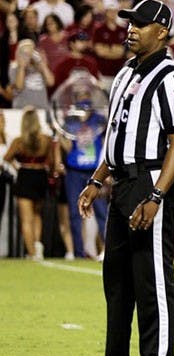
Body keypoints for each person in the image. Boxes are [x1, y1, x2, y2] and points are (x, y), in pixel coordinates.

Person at [75, 0, 174, 356]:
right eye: (130, 23)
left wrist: (157, 195)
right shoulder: (126, 72)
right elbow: (118, 136)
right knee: (117, 282)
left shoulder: (171, 76)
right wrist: (96, 180)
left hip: (152, 180)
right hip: (123, 182)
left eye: (140, 24)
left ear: (162, 32)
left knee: (152, 282)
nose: (131, 29)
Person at [59, 85, 110, 261]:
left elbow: (106, 142)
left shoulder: (99, 120)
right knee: (74, 213)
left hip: (94, 171)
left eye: (86, 94)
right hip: (74, 171)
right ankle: (78, 253)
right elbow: (65, 144)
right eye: (80, 95)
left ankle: (107, 250)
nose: (84, 98)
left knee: (102, 211)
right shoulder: (70, 121)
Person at [3, 107, 54, 260]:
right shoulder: (46, 139)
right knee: (37, 214)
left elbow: (6, 158)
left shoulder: (19, 141)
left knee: (26, 218)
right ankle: (37, 246)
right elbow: (50, 162)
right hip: (40, 176)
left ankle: (31, 252)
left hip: (25, 175)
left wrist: (16, 167)